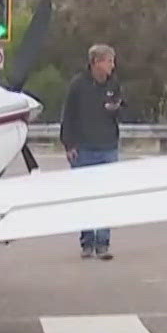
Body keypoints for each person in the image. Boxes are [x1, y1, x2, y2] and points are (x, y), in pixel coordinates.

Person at [59, 43, 125, 259]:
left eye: (112, 61)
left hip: (107, 146)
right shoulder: (78, 85)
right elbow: (68, 116)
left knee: (106, 197)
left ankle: (103, 243)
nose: (112, 66)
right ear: (96, 62)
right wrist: (69, 145)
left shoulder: (113, 84)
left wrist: (117, 108)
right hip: (84, 148)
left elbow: (122, 109)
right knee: (85, 197)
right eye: (108, 61)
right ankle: (87, 242)